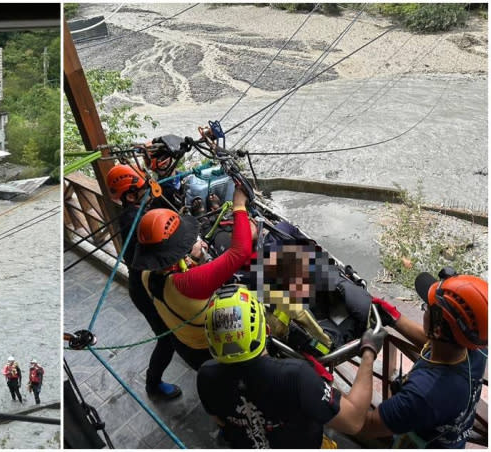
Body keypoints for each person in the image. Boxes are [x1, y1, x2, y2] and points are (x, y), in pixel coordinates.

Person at [197, 285, 386, 448]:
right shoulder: (296, 376)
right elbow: (353, 421)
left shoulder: (206, 375)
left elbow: (221, 421)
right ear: (267, 330)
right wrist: (369, 351)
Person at [359, 268, 487, 448]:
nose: (424, 310)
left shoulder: (424, 394)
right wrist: (395, 318)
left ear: (437, 328)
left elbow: (369, 424)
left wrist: (368, 353)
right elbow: (436, 341)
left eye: (426, 307)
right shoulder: (476, 348)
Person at [133, 184, 253, 369]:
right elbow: (239, 251)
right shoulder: (189, 282)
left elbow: (171, 273)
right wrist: (239, 204)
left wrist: (192, 258)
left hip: (185, 345)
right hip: (211, 349)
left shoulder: (146, 275)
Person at [105, 164, 182, 400]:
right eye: (143, 189)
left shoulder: (135, 211)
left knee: (172, 333)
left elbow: (159, 203)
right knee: (166, 339)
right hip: (145, 289)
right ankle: (153, 384)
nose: (148, 192)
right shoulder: (134, 221)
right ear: (130, 195)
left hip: (147, 284)